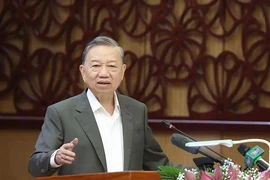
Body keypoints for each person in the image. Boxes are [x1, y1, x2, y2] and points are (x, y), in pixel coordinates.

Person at [28, 36, 181, 177]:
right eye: (96, 66)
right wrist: (55, 157)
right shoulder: (61, 113)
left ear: (122, 72)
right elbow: (34, 166)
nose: (104, 73)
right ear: (83, 71)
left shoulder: (137, 111)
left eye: (112, 66)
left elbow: (157, 164)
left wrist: (199, 175)